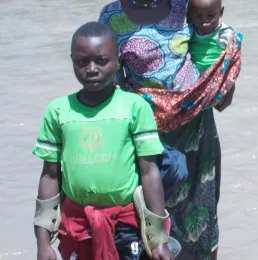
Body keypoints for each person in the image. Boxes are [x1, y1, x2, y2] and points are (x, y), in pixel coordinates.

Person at [98, 1, 243, 259]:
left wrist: (220, 85)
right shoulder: (112, 17)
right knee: (146, 226)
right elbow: (109, 85)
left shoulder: (187, 5)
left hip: (196, 134)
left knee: (201, 218)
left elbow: (209, 46)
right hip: (144, 139)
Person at [32, 22, 174, 260]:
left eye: (102, 60)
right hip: (77, 227)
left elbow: (150, 172)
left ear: (118, 61)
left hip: (126, 227)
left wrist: (159, 239)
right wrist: (43, 243)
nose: (91, 69)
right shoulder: (58, 111)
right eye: (81, 61)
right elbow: (50, 176)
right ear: (72, 61)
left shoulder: (134, 107)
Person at [189, 0, 233, 74]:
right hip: (196, 78)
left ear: (221, 12)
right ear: (190, 14)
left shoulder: (224, 33)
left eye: (210, 15)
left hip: (216, 77)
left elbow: (233, 58)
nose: (204, 20)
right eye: (198, 16)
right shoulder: (190, 32)